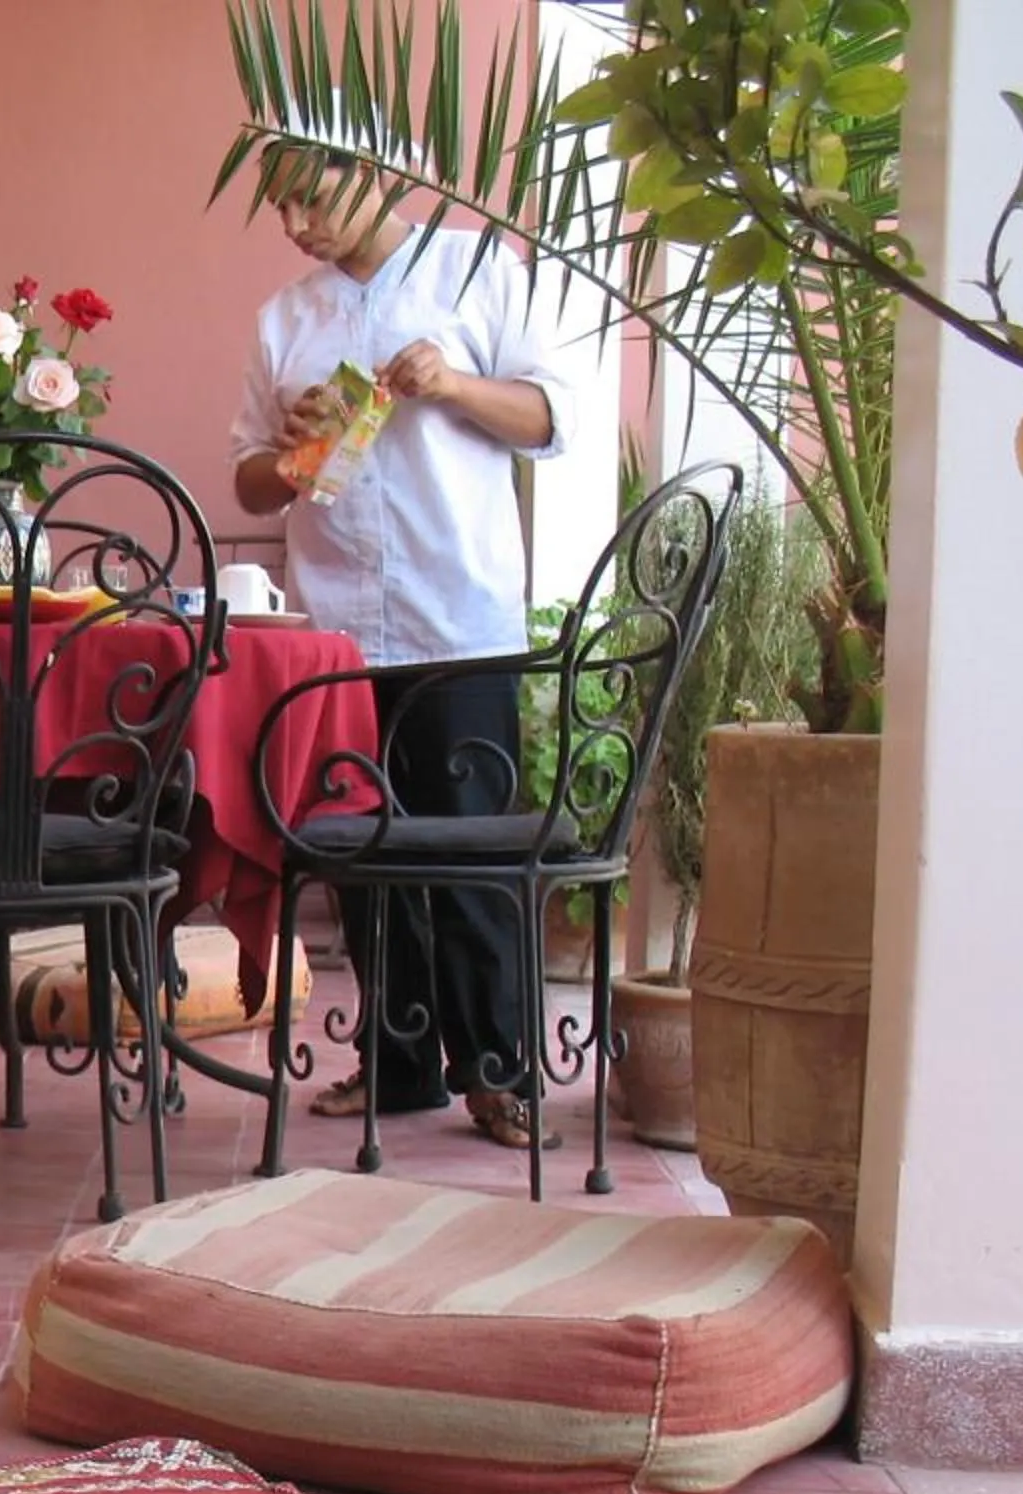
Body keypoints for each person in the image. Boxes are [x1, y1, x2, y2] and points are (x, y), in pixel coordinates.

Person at [229, 152, 576, 1152]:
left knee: (469, 850)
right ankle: (399, 1061)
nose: (295, 220)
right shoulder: (284, 320)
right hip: (333, 624)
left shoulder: (480, 272)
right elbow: (252, 480)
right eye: (281, 201)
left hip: (458, 615)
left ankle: (501, 1072)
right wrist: (290, 451)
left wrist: (454, 383)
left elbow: (552, 418)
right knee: (360, 852)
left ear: (378, 178)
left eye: (314, 195)